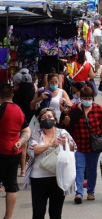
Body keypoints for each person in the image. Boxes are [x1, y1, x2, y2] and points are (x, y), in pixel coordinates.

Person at [25, 108, 75, 219]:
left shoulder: (62, 132)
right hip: (38, 179)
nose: (47, 119)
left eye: (49, 117)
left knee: (55, 213)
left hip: (58, 177)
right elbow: (32, 151)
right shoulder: (35, 134)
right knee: (38, 212)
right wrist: (50, 145)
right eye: (44, 118)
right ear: (40, 121)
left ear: (55, 120)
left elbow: (73, 147)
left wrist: (67, 142)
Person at [63, 87, 102, 204]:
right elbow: (68, 126)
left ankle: (90, 192)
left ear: (92, 98)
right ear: (81, 98)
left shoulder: (98, 109)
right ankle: (79, 193)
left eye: (89, 98)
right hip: (78, 144)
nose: (87, 100)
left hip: (94, 146)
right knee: (79, 168)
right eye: (84, 98)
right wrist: (67, 121)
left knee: (91, 169)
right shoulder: (74, 109)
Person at [0, 83, 31, 219]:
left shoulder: (1, 109)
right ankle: (8, 217)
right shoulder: (19, 110)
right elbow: (26, 131)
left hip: (1, 151)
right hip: (14, 152)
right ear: (12, 95)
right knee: (11, 185)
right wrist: (20, 142)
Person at [13, 70, 35, 177]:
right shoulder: (33, 92)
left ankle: (22, 168)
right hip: (29, 121)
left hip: (17, 119)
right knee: (26, 144)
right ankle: (23, 168)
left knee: (20, 144)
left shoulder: (15, 93)